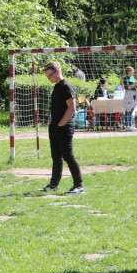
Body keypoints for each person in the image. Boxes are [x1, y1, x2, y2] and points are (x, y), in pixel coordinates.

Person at [39, 62, 84, 195]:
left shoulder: (66, 86)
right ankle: (53, 185)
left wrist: (61, 124)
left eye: (50, 75)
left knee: (68, 156)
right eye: (47, 76)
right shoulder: (57, 87)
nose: (49, 78)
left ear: (57, 71)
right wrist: (52, 122)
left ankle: (79, 186)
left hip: (64, 127)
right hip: (55, 126)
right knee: (56, 157)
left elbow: (72, 108)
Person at [121, 65, 137, 130]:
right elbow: (127, 87)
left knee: (132, 109)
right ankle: (127, 125)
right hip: (129, 95)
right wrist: (135, 84)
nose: (133, 72)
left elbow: (134, 86)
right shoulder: (125, 78)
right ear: (128, 71)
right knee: (128, 109)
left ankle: (131, 124)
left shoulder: (133, 77)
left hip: (134, 94)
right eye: (132, 71)